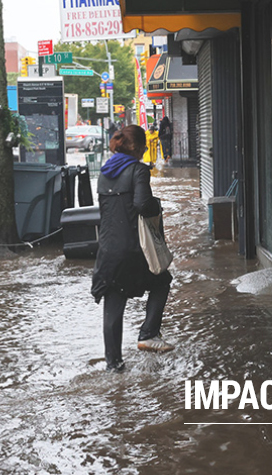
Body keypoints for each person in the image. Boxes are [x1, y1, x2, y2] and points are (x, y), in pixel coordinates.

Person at [91, 125, 174, 372]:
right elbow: (141, 204)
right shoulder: (138, 170)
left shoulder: (104, 172)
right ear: (137, 147)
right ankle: (148, 333)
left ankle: (113, 366)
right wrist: (155, 207)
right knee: (162, 280)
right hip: (133, 248)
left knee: (113, 301)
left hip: (107, 250)